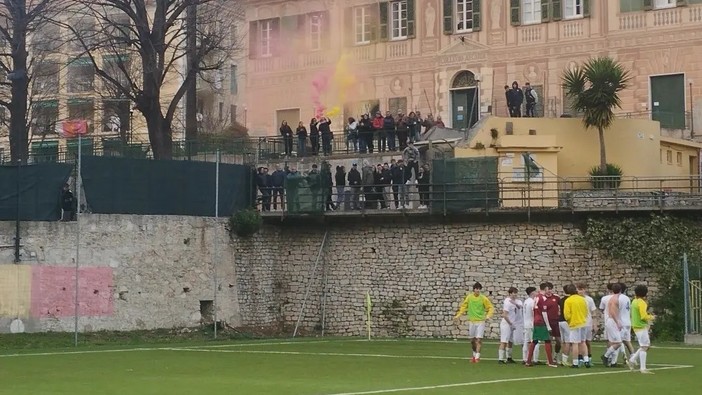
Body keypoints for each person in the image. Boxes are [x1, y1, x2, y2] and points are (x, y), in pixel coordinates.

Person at [453, 282, 494, 363]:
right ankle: (474, 355)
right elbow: (463, 307)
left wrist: (488, 315)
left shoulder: (483, 298)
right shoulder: (469, 297)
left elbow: (490, 307)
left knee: (479, 340)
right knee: (472, 340)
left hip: (480, 321)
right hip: (472, 321)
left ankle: (477, 357)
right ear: (474, 289)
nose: (478, 290)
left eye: (479, 289)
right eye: (476, 289)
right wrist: (457, 316)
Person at [525, 282, 558, 367]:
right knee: (547, 340)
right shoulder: (543, 298)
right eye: (548, 289)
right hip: (541, 321)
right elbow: (544, 312)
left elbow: (533, 309)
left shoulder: (536, 297)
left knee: (535, 340)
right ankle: (550, 362)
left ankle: (528, 361)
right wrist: (548, 325)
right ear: (546, 289)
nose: (549, 290)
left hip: (536, 320)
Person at [629, 285, 655, 374]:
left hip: (635, 325)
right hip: (640, 325)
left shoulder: (634, 301)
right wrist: (652, 317)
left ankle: (633, 359)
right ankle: (642, 368)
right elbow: (643, 316)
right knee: (645, 346)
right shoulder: (642, 302)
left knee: (644, 345)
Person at [564, 283, 591, 368]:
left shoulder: (568, 300)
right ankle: (586, 360)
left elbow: (567, 315)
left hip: (574, 323)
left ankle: (575, 362)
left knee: (575, 343)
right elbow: (586, 311)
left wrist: (569, 321)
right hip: (584, 322)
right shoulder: (582, 299)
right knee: (583, 342)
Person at [601, 283, 627, 367]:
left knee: (615, 342)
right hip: (612, 321)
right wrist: (617, 322)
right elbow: (612, 312)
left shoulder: (614, 298)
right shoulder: (614, 299)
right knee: (618, 343)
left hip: (612, 321)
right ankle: (605, 356)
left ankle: (613, 362)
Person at [498, 287, 521, 364]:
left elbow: (519, 307)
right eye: (513, 293)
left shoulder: (514, 302)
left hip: (511, 323)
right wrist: (510, 323)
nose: (515, 295)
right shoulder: (507, 302)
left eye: (516, 293)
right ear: (510, 293)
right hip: (506, 324)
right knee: (504, 340)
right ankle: (500, 359)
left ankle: (509, 357)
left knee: (510, 341)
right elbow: (505, 315)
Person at [522, 286, 541, 365]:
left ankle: (525, 358)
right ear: (532, 293)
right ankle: (535, 359)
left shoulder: (526, 301)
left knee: (526, 341)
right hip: (532, 324)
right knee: (536, 341)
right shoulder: (532, 302)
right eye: (536, 291)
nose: (537, 293)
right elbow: (534, 313)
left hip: (526, 323)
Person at [557, 284, 574, 366]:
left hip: (560, 321)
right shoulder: (570, 300)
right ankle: (565, 360)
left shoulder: (561, 299)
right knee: (568, 342)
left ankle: (562, 358)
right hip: (566, 321)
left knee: (563, 342)